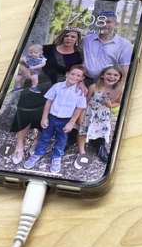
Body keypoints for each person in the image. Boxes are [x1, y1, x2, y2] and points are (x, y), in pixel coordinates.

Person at [8, 28, 83, 165]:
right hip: (36, 85)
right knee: (25, 114)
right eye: (67, 35)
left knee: (46, 117)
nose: (69, 38)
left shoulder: (78, 56)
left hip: (57, 90)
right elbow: (25, 62)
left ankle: (37, 141)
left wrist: (81, 84)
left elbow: (77, 73)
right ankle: (19, 146)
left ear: (77, 39)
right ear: (62, 36)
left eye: (73, 36)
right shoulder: (47, 49)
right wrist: (26, 73)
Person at [24, 65, 88, 174]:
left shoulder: (80, 92)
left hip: (65, 121)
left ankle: (57, 157)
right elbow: (48, 102)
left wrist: (71, 123)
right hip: (52, 118)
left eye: (78, 76)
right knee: (44, 137)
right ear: (67, 74)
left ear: (82, 79)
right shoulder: (57, 86)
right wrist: (44, 117)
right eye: (72, 74)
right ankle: (37, 154)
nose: (74, 77)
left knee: (61, 139)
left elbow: (79, 108)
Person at [75, 65, 123, 167]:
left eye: (115, 75)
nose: (112, 77)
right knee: (83, 131)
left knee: (101, 131)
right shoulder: (93, 87)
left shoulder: (119, 90)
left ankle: (99, 146)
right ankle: (81, 152)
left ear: (119, 78)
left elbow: (119, 103)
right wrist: (80, 116)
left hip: (103, 116)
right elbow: (85, 102)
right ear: (102, 75)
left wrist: (110, 105)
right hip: (90, 113)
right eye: (109, 74)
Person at [81, 7, 134, 84]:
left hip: (108, 84)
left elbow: (124, 68)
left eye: (108, 22)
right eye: (101, 22)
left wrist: (119, 87)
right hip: (85, 81)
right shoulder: (86, 40)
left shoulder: (124, 44)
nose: (105, 25)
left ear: (116, 24)